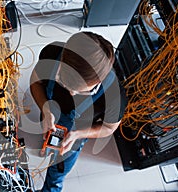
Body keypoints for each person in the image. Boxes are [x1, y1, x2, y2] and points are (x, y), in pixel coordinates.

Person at [29, 31, 127, 192]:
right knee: (48, 138)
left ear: (98, 82)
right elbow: (35, 82)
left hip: (75, 136)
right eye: (63, 83)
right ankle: (47, 146)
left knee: (57, 173)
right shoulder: (52, 53)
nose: (71, 94)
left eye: (82, 92)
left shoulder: (114, 95)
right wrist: (45, 108)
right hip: (49, 113)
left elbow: (109, 128)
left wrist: (78, 134)